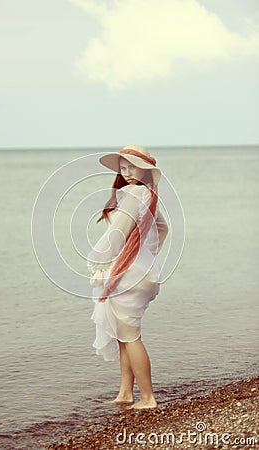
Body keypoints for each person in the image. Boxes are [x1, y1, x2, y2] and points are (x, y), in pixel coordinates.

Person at [87, 144, 169, 409]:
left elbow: (117, 233)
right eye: (123, 167)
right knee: (125, 333)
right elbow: (162, 228)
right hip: (140, 271)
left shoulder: (134, 193)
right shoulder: (149, 194)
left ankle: (148, 398)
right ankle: (125, 393)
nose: (128, 171)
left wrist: (95, 258)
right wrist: (146, 254)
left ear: (146, 170)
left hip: (127, 274)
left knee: (131, 336)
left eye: (133, 166)